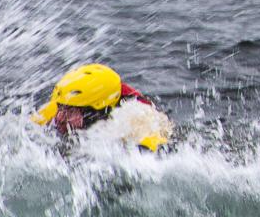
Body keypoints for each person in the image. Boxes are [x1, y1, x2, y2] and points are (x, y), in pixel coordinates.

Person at [33, 63, 173, 152]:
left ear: (94, 111)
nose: (60, 117)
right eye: (60, 108)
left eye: (70, 111)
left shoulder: (134, 117)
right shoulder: (65, 101)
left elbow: (158, 153)